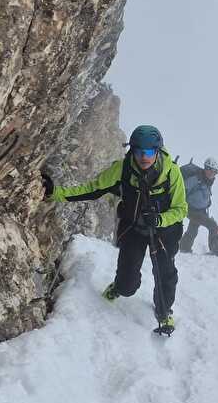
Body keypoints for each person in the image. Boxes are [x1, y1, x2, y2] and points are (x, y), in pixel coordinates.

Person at [41, 125, 187, 333]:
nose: (144, 157)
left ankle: (164, 311)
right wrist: (55, 192)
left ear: (157, 151)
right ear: (132, 151)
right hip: (134, 229)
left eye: (149, 152)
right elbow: (92, 189)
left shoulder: (172, 173)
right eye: (139, 152)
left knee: (165, 272)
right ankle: (119, 287)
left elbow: (181, 209)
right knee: (128, 286)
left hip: (164, 231)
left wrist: (160, 219)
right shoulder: (123, 169)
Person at [179, 156, 218, 254]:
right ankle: (216, 249)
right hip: (191, 209)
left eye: (216, 172)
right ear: (207, 168)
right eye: (213, 171)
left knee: (193, 229)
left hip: (200, 210)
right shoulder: (196, 179)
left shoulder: (207, 181)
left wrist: (207, 203)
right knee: (212, 225)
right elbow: (182, 190)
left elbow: (202, 195)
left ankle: (184, 247)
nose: (214, 174)